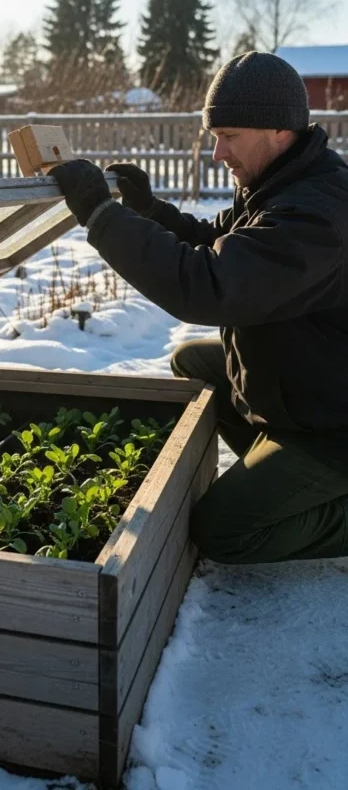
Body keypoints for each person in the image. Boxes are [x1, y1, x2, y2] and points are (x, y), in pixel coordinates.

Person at [51, 51, 348, 565]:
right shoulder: (282, 182)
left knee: (221, 531)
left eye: (228, 136)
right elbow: (220, 242)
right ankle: (277, 459)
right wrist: (147, 211)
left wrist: (102, 218)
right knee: (193, 361)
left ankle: (312, 485)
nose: (217, 153)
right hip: (310, 385)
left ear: (278, 130)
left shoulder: (317, 213)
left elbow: (210, 285)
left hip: (333, 425)